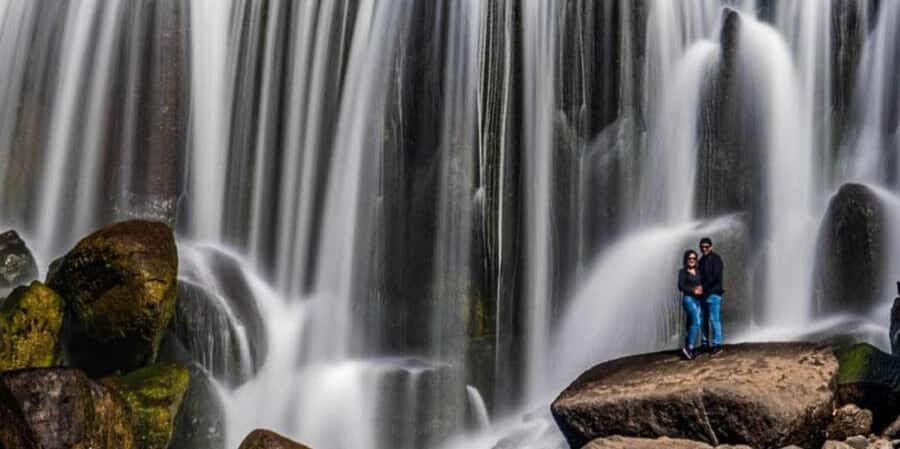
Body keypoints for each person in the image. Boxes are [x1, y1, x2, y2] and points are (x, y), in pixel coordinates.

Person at [698, 237, 724, 354]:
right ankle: (704, 344)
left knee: (714, 319)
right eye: (702, 247)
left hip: (713, 293)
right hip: (703, 296)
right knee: (703, 320)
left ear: (711, 247)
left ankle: (717, 344)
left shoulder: (716, 259)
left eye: (706, 247)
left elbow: (716, 277)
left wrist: (703, 287)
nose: (704, 249)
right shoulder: (700, 261)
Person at [677, 249, 703, 360]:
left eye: (694, 258)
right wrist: (693, 290)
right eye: (689, 258)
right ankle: (689, 349)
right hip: (689, 299)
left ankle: (688, 347)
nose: (691, 260)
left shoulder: (698, 271)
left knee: (691, 323)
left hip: (698, 300)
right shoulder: (682, 272)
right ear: (686, 259)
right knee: (696, 322)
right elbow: (681, 286)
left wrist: (702, 288)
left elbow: (703, 283)